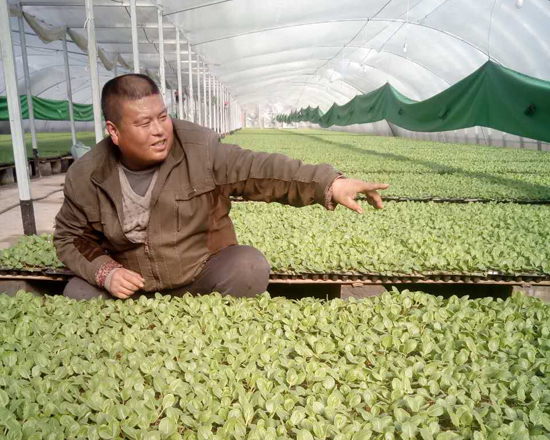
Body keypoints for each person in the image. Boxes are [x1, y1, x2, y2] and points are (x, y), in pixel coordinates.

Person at [54, 74, 388, 301]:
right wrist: (106, 272)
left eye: (162, 116)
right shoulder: (87, 175)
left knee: (249, 266)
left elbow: (261, 170)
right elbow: (70, 238)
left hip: (198, 272)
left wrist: (329, 183)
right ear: (114, 131)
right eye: (143, 123)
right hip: (133, 283)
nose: (159, 131)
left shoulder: (199, 148)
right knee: (78, 292)